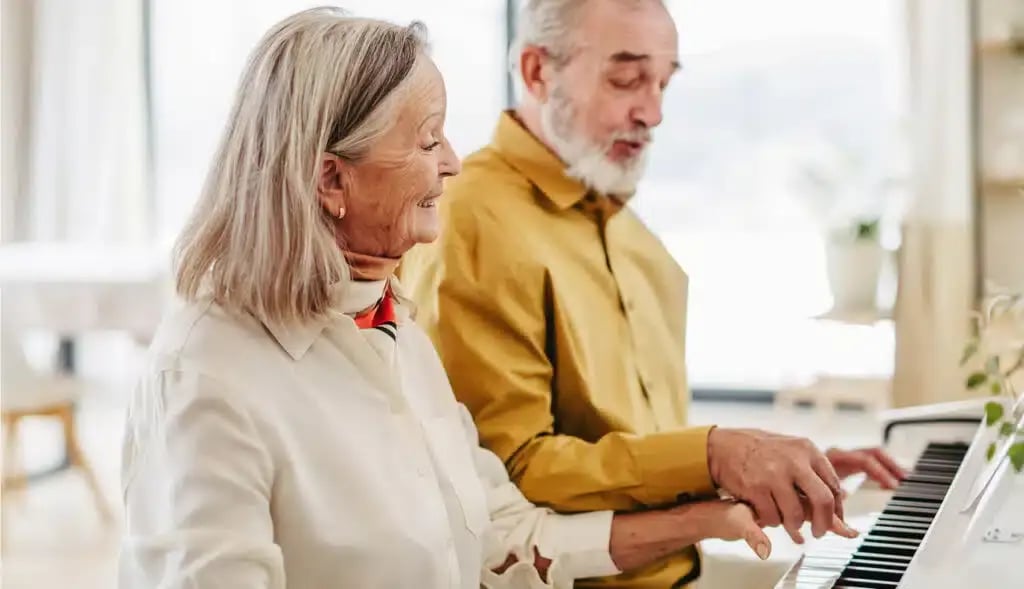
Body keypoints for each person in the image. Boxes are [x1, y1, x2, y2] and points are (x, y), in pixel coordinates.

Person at [116, 8, 808, 589]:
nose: (452, 159)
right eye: (427, 139)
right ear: (332, 180)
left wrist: (705, 518)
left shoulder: (392, 329)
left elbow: (504, 535)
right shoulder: (208, 376)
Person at [398, 0, 905, 587]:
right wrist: (716, 455)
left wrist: (760, 464)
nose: (654, 111)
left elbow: (627, 454)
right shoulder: (471, 219)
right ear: (537, 71)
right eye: (626, 78)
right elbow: (506, 477)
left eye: (664, 82)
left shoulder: (634, 237)